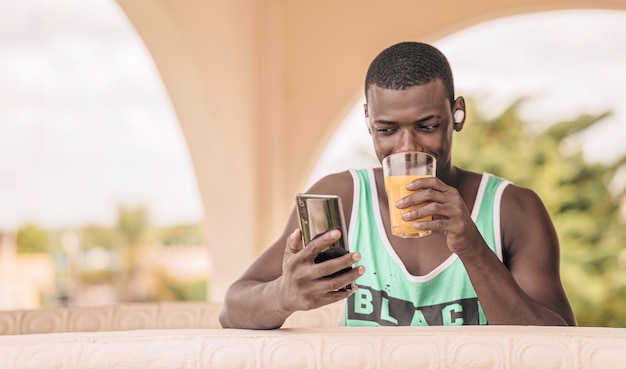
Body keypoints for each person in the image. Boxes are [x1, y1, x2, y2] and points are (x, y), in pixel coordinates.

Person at [219, 41, 576, 329]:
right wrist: (283, 296)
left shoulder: (512, 208)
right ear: (369, 122)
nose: (407, 148)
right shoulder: (342, 197)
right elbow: (232, 309)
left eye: (427, 125)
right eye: (387, 130)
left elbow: (558, 346)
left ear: (457, 114)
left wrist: (472, 248)